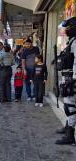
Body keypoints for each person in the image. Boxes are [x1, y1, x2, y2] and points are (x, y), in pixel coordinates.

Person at [55, 17, 76, 145]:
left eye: (68, 28)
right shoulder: (72, 41)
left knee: (70, 106)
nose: (66, 30)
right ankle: (68, 127)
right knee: (69, 104)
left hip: (72, 79)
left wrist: (74, 80)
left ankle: (70, 135)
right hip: (68, 77)